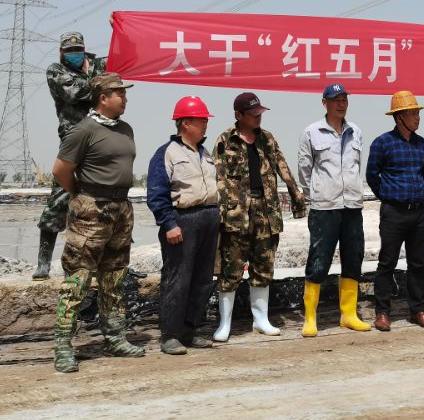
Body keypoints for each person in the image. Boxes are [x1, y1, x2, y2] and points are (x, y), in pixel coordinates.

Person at [50, 73, 145, 373]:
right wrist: (80, 196)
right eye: (120, 93)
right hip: (91, 210)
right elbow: (60, 170)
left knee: (114, 278)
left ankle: (114, 339)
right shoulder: (83, 130)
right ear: (103, 98)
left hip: (121, 209)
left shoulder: (126, 129)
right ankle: (63, 346)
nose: (125, 98)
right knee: (78, 280)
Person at [212, 92, 307, 342]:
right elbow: (218, 177)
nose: (258, 118)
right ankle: (224, 323)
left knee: (263, 266)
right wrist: (223, 213)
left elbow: (282, 167)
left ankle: (261, 320)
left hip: (266, 211)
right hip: (236, 214)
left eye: (259, 113)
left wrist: (296, 196)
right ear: (238, 115)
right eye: (253, 114)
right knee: (231, 269)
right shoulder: (225, 140)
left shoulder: (267, 139)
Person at [146, 96, 221, 354]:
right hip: (183, 221)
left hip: (209, 218)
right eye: (201, 120)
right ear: (185, 123)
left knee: (202, 279)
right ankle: (170, 335)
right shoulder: (166, 153)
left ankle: (190, 330)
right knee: (177, 278)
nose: (205, 124)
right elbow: (157, 192)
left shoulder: (204, 153)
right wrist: (168, 223)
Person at [296, 83, 371, 336]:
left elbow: (357, 166)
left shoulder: (356, 131)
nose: (341, 104)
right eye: (335, 100)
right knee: (319, 261)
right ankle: (310, 318)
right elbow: (305, 170)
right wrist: (317, 194)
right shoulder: (311, 132)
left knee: (353, 258)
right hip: (324, 208)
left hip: (352, 206)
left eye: (344, 99)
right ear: (324, 103)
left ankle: (349, 315)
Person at [35, 30, 108, 280]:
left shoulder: (99, 64)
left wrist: (116, 28)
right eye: (69, 51)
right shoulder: (55, 70)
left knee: (106, 202)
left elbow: (120, 71)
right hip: (73, 140)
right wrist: (100, 85)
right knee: (60, 198)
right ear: (61, 52)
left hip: (101, 139)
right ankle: (43, 262)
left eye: (77, 51)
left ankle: (106, 262)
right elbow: (74, 93)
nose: (73, 54)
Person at [365, 90, 424, 331]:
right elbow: (372, 175)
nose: (417, 117)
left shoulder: (421, 143)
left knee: (417, 263)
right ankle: (383, 312)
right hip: (393, 212)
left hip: (419, 212)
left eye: (417, 113)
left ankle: (418, 309)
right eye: (412, 113)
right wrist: (388, 196)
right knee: (387, 262)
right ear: (399, 117)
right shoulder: (382, 143)